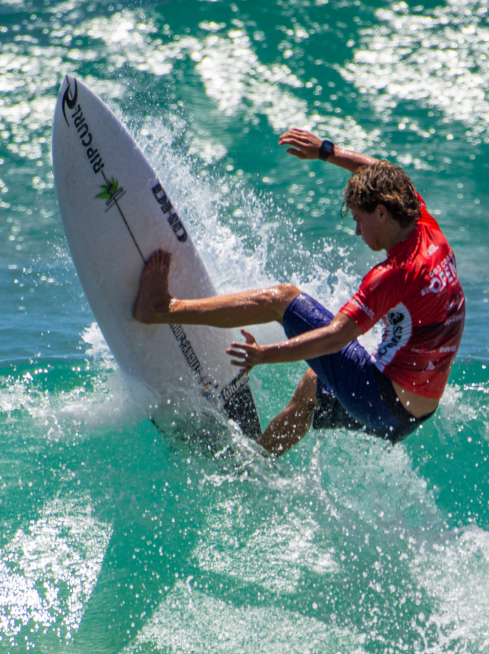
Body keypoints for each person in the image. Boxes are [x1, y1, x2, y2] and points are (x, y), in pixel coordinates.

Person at [134, 128, 465, 456]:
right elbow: (384, 174)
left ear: (381, 212)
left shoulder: (395, 273)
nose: (356, 230)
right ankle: (258, 463)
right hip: (410, 416)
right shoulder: (422, 223)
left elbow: (335, 337)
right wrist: (325, 151)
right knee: (312, 386)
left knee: (281, 299)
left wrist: (265, 355)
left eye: (359, 220)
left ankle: (161, 308)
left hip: (379, 401)